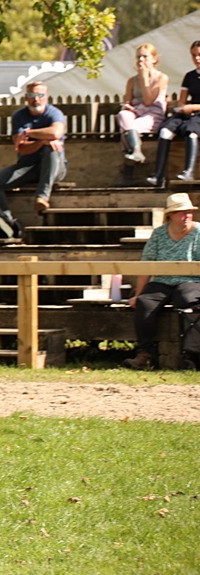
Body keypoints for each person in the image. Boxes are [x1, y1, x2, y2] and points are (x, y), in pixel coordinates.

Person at [123, 193, 200, 370]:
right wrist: (138, 294)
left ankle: (191, 355)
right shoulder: (159, 234)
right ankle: (146, 354)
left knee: (188, 300)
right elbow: (146, 265)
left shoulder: (199, 232)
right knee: (144, 302)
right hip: (163, 280)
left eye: (188, 212)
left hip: (191, 280)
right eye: (181, 212)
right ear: (170, 215)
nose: (186, 216)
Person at [0, 81, 67, 220]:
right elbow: (22, 149)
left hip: (54, 168)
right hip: (28, 167)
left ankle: (42, 197)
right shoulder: (19, 116)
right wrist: (42, 140)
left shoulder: (54, 113)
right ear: (26, 97)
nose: (36, 99)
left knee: (52, 147)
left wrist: (29, 133)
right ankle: (7, 219)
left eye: (40, 95)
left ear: (46, 96)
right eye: (32, 95)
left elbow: (55, 133)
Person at [147, 40, 200, 187]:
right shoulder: (189, 76)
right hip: (190, 112)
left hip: (197, 113)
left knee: (192, 132)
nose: (197, 58)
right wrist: (182, 108)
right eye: (194, 55)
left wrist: (193, 107)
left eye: (199, 55)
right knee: (165, 130)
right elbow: (182, 101)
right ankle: (158, 175)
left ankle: (188, 171)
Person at [117, 43, 169, 167]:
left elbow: (148, 101)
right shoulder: (131, 80)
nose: (140, 60)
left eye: (145, 56)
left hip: (152, 115)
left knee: (128, 128)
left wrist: (144, 78)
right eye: (138, 57)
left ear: (154, 59)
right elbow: (128, 100)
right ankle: (136, 150)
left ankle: (132, 154)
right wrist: (127, 106)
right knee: (123, 115)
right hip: (136, 112)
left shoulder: (161, 78)